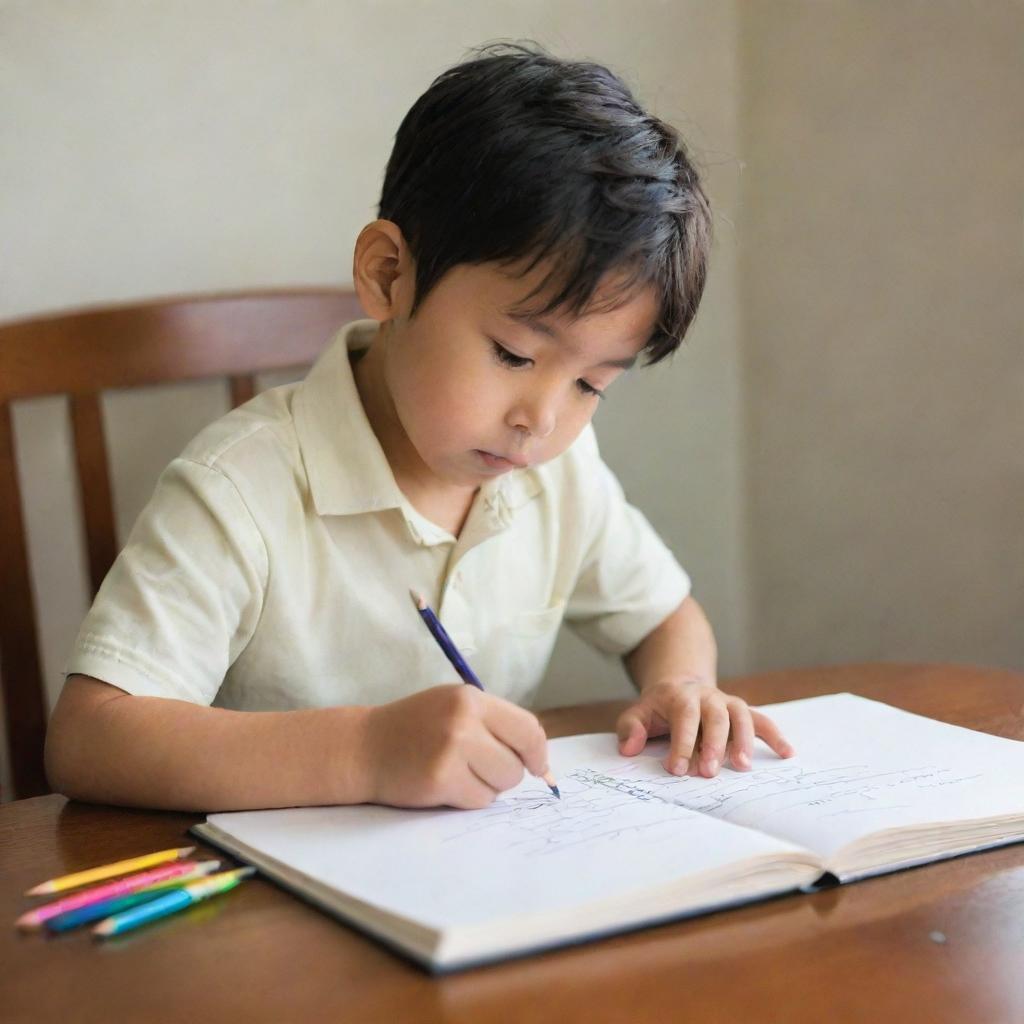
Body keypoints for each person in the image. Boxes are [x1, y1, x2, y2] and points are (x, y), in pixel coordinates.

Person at [45, 41, 793, 812]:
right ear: (388, 276)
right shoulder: (241, 488)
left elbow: (664, 615)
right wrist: (364, 754)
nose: (540, 419)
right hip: (265, 903)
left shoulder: (556, 475)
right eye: (512, 353)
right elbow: (89, 737)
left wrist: (683, 685)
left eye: (591, 384)